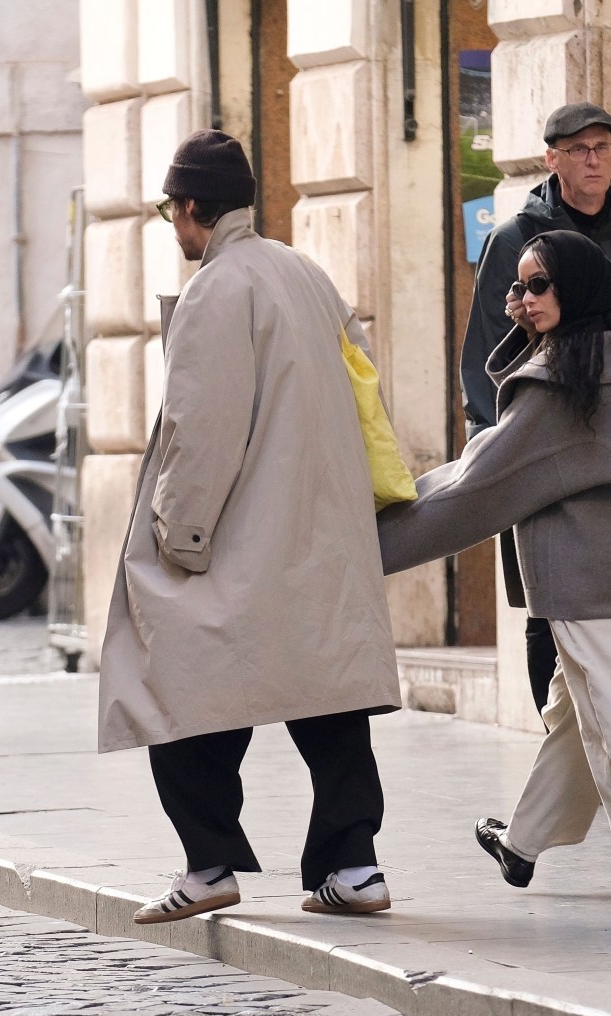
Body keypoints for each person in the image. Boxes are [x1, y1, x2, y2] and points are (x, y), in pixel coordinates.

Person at [97, 129, 402, 924]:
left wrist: (178, 536)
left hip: (244, 533)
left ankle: (209, 861)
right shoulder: (305, 272)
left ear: (193, 207)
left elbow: (201, 431)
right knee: (326, 696)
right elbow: (364, 391)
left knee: (173, 680)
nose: (172, 225)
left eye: (172, 209)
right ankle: (352, 865)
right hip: (319, 526)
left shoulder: (215, 289)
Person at [379, 231, 611, 902]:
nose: (521, 300)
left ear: (575, 287)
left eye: (537, 286)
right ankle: (522, 844)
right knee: (573, 708)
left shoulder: (559, 383)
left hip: (578, 568)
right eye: (515, 288)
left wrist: (367, 545)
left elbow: (476, 488)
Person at [460, 101, 611, 719]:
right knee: (551, 600)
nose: (595, 160)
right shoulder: (514, 241)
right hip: (546, 444)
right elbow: (485, 354)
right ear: (553, 159)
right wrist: (496, 452)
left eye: (604, 148)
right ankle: (564, 747)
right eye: (579, 150)